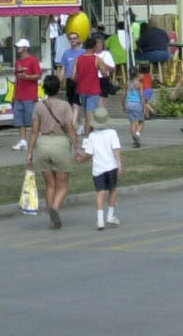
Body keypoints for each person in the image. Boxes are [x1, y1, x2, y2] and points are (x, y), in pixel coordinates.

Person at [27, 75, 78, 230]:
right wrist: (77, 148)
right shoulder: (65, 105)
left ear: (45, 89)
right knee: (62, 186)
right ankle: (55, 208)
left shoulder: (38, 106)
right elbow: (70, 128)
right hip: (60, 144)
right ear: (58, 89)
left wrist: (30, 152)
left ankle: (52, 221)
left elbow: (34, 131)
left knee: (50, 185)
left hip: (42, 145)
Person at [77, 104, 123, 229]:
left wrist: (81, 160)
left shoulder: (92, 136)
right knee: (112, 190)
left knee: (100, 192)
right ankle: (110, 216)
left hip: (98, 169)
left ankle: (100, 220)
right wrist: (119, 164)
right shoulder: (112, 133)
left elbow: (89, 154)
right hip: (111, 166)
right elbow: (116, 149)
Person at [10, 38, 43, 151]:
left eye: (19, 46)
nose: (18, 48)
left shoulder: (33, 60)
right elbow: (17, 79)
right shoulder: (18, 62)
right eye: (18, 46)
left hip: (30, 95)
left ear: (25, 48)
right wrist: (14, 94)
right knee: (20, 121)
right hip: (19, 95)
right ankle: (23, 141)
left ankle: (35, 140)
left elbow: (38, 75)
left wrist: (27, 77)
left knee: (33, 120)